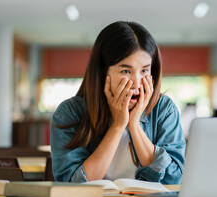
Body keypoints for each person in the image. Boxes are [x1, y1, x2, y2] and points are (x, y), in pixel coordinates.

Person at [50, 21, 186, 184]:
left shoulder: (164, 109)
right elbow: (73, 183)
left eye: (144, 70)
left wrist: (134, 124)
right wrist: (118, 126)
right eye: (126, 71)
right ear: (102, 72)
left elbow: (174, 180)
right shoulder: (69, 113)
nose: (136, 83)